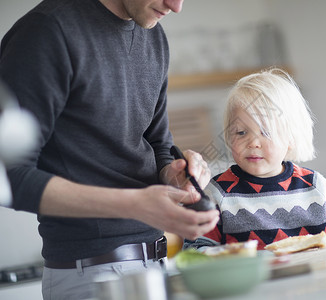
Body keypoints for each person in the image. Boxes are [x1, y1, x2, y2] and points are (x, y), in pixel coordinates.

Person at [0, 0, 219, 299]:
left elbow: (159, 146)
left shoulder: (154, 36)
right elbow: (8, 175)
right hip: (92, 276)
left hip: (157, 266)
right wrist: (133, 203)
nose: (176, 6)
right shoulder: (47, 31)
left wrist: (175, 176)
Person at [184, 67, 326, 251]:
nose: (252, 142)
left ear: (291, 138)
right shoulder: (217, 192)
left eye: (265, 132)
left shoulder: (314, 185)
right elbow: (197, 249)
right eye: (240, 132)